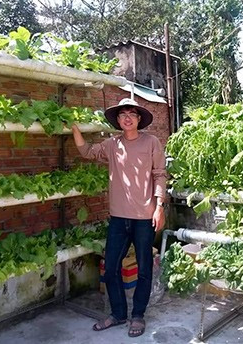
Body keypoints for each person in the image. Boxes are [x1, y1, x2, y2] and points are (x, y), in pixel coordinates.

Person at [71, 97, 167, 338]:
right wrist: (74, 128)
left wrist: (159, 207)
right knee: (111, 267)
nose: (127, 117)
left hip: (144, 217)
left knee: (144, 268)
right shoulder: (112, 145)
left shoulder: (152, 142)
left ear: (138, 119)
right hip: (118, 217)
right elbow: (87, 152)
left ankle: (138, 315)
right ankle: (118, 313)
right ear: (118, 120)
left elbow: (160, 175)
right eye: (123, 114)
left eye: (132, 114)